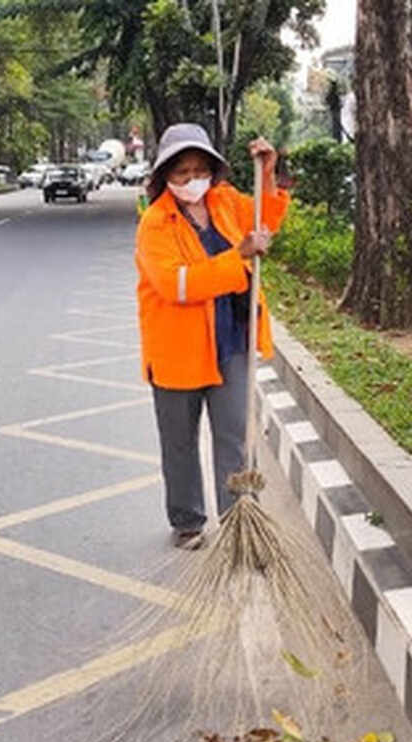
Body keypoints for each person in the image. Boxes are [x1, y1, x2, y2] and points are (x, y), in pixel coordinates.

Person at [135, 123, 288, 549]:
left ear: (212, 171)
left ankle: (240, 518)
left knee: (234, 438)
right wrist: (237, 257)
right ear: (165, 175)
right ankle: (187, 521)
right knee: (180, 443)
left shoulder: (223, 202)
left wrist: (269, 172)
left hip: (230, 342)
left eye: (199, 169)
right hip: (178, 352)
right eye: (182, 172)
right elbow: (176, 285)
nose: (191, 180)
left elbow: (267, 217)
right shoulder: (155, 224)